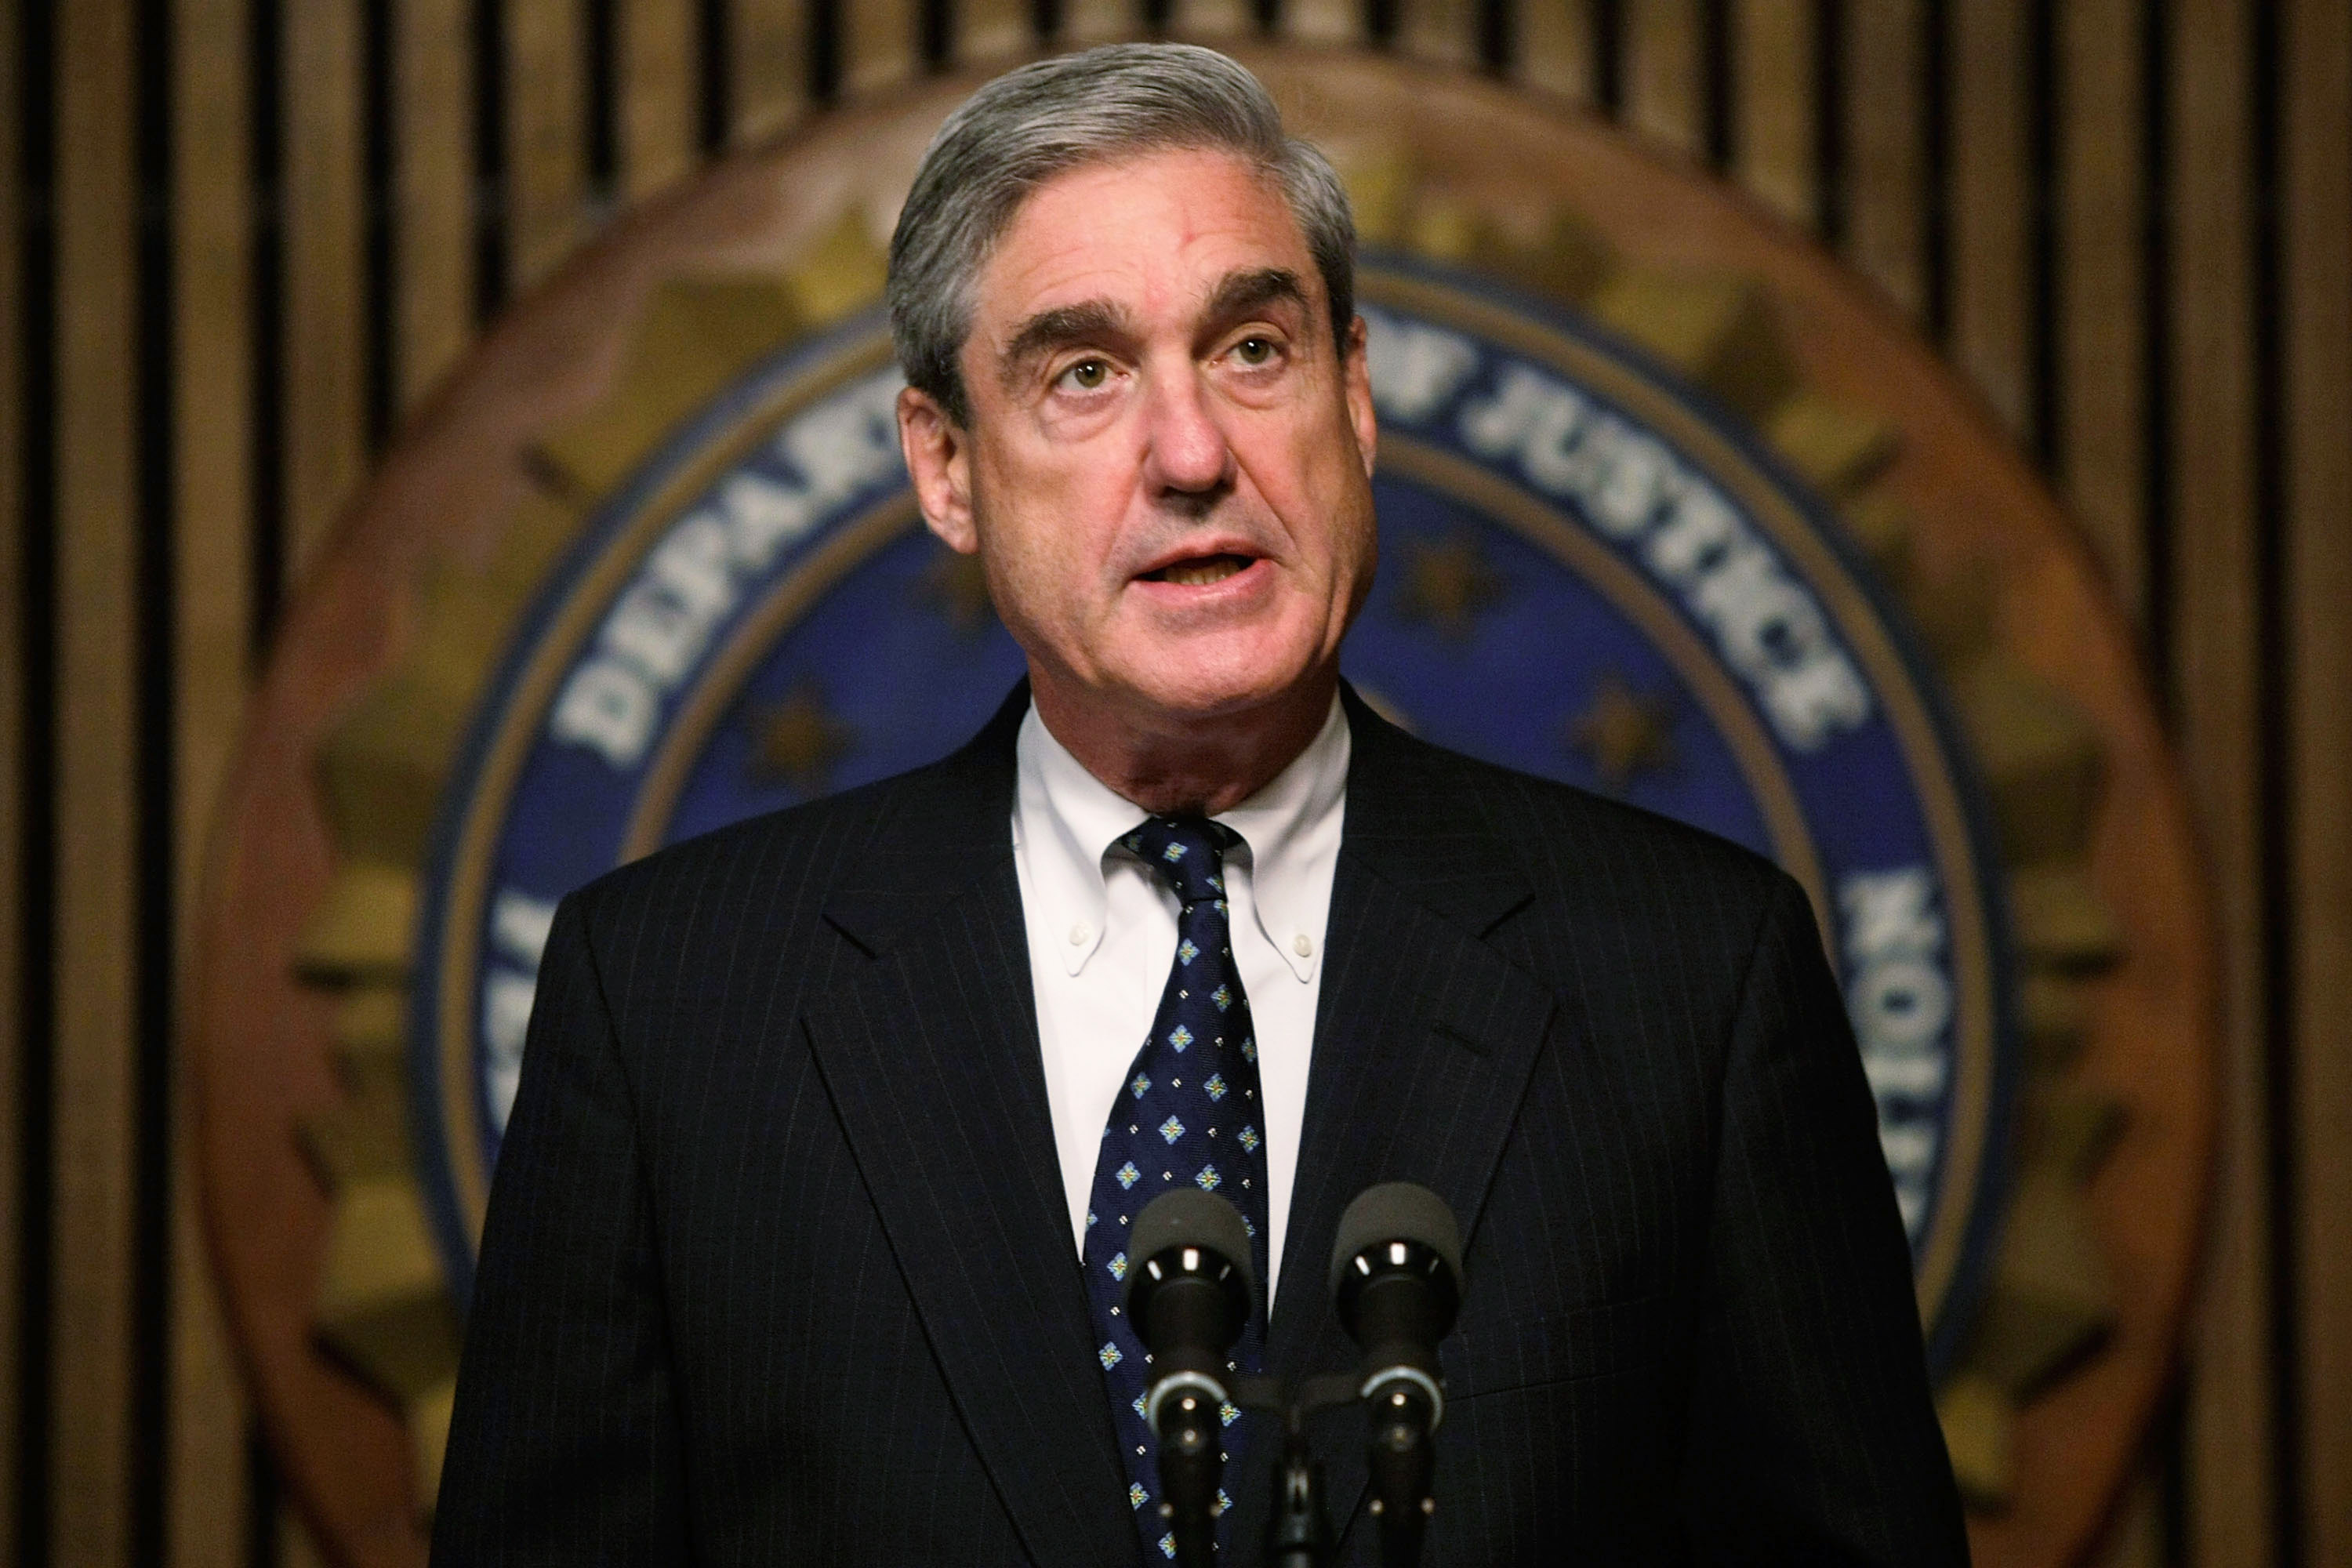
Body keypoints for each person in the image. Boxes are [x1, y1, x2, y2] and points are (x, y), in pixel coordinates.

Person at [430, 43, 1969, 1566]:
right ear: (946, 465)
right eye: (1084, 375)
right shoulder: (673, 1009)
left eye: (1251, 349)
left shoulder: (1691, 981)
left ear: (1352, 396)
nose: (1190, 454)